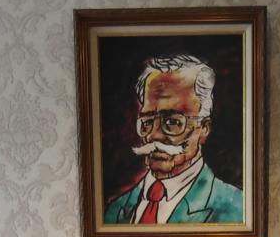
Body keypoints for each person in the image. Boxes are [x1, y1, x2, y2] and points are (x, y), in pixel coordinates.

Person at [104, 54, 244, 225]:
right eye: (147, 121)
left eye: (172, 122)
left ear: (204, 128)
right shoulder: (115, 210)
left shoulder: (235, 209)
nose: (154, 135)